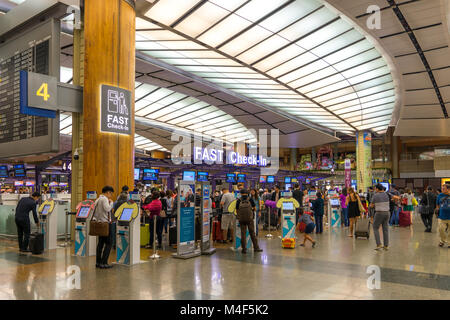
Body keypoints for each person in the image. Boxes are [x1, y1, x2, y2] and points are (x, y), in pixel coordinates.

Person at [235, 189, 263, 254]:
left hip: (241, 220)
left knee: (243, 234)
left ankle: (244, 249)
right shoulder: (250, 199)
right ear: (247, 193)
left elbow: (237, 210)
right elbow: (255, 208)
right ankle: (256, 248)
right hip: (250, 219)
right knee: (252, 233)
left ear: (241, 193)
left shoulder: (238, 200)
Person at [94, 186, 114, 269]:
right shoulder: (104, 199)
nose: (111, 195)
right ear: (108, 192)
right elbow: (107, 209)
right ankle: (104, 262)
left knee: (100, 244)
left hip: (99, 223)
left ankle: (98, 262)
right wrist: (112, 203)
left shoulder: (98, 199)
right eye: (111, 193)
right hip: (106, 224)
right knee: (109, 243)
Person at [370, 184, 390, 251]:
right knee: (385, 229)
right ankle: (386, 245)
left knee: (375, 227)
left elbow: (372, 205)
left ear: (377, 189)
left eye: (375, 189)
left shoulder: (376, 195)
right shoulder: (386, 194)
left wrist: (372, 206)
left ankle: (379, 244)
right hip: (387, 213)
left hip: (379, 213)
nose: (375, 190)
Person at [436, 183, 450, 248]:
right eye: (442, 188)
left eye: (444, 189)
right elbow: (437, 205)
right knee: (441, 229)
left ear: (448, 189)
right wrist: (437, 210)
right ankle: (442, 240)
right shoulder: (439, 195)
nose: (442, 190)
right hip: (442, 216)